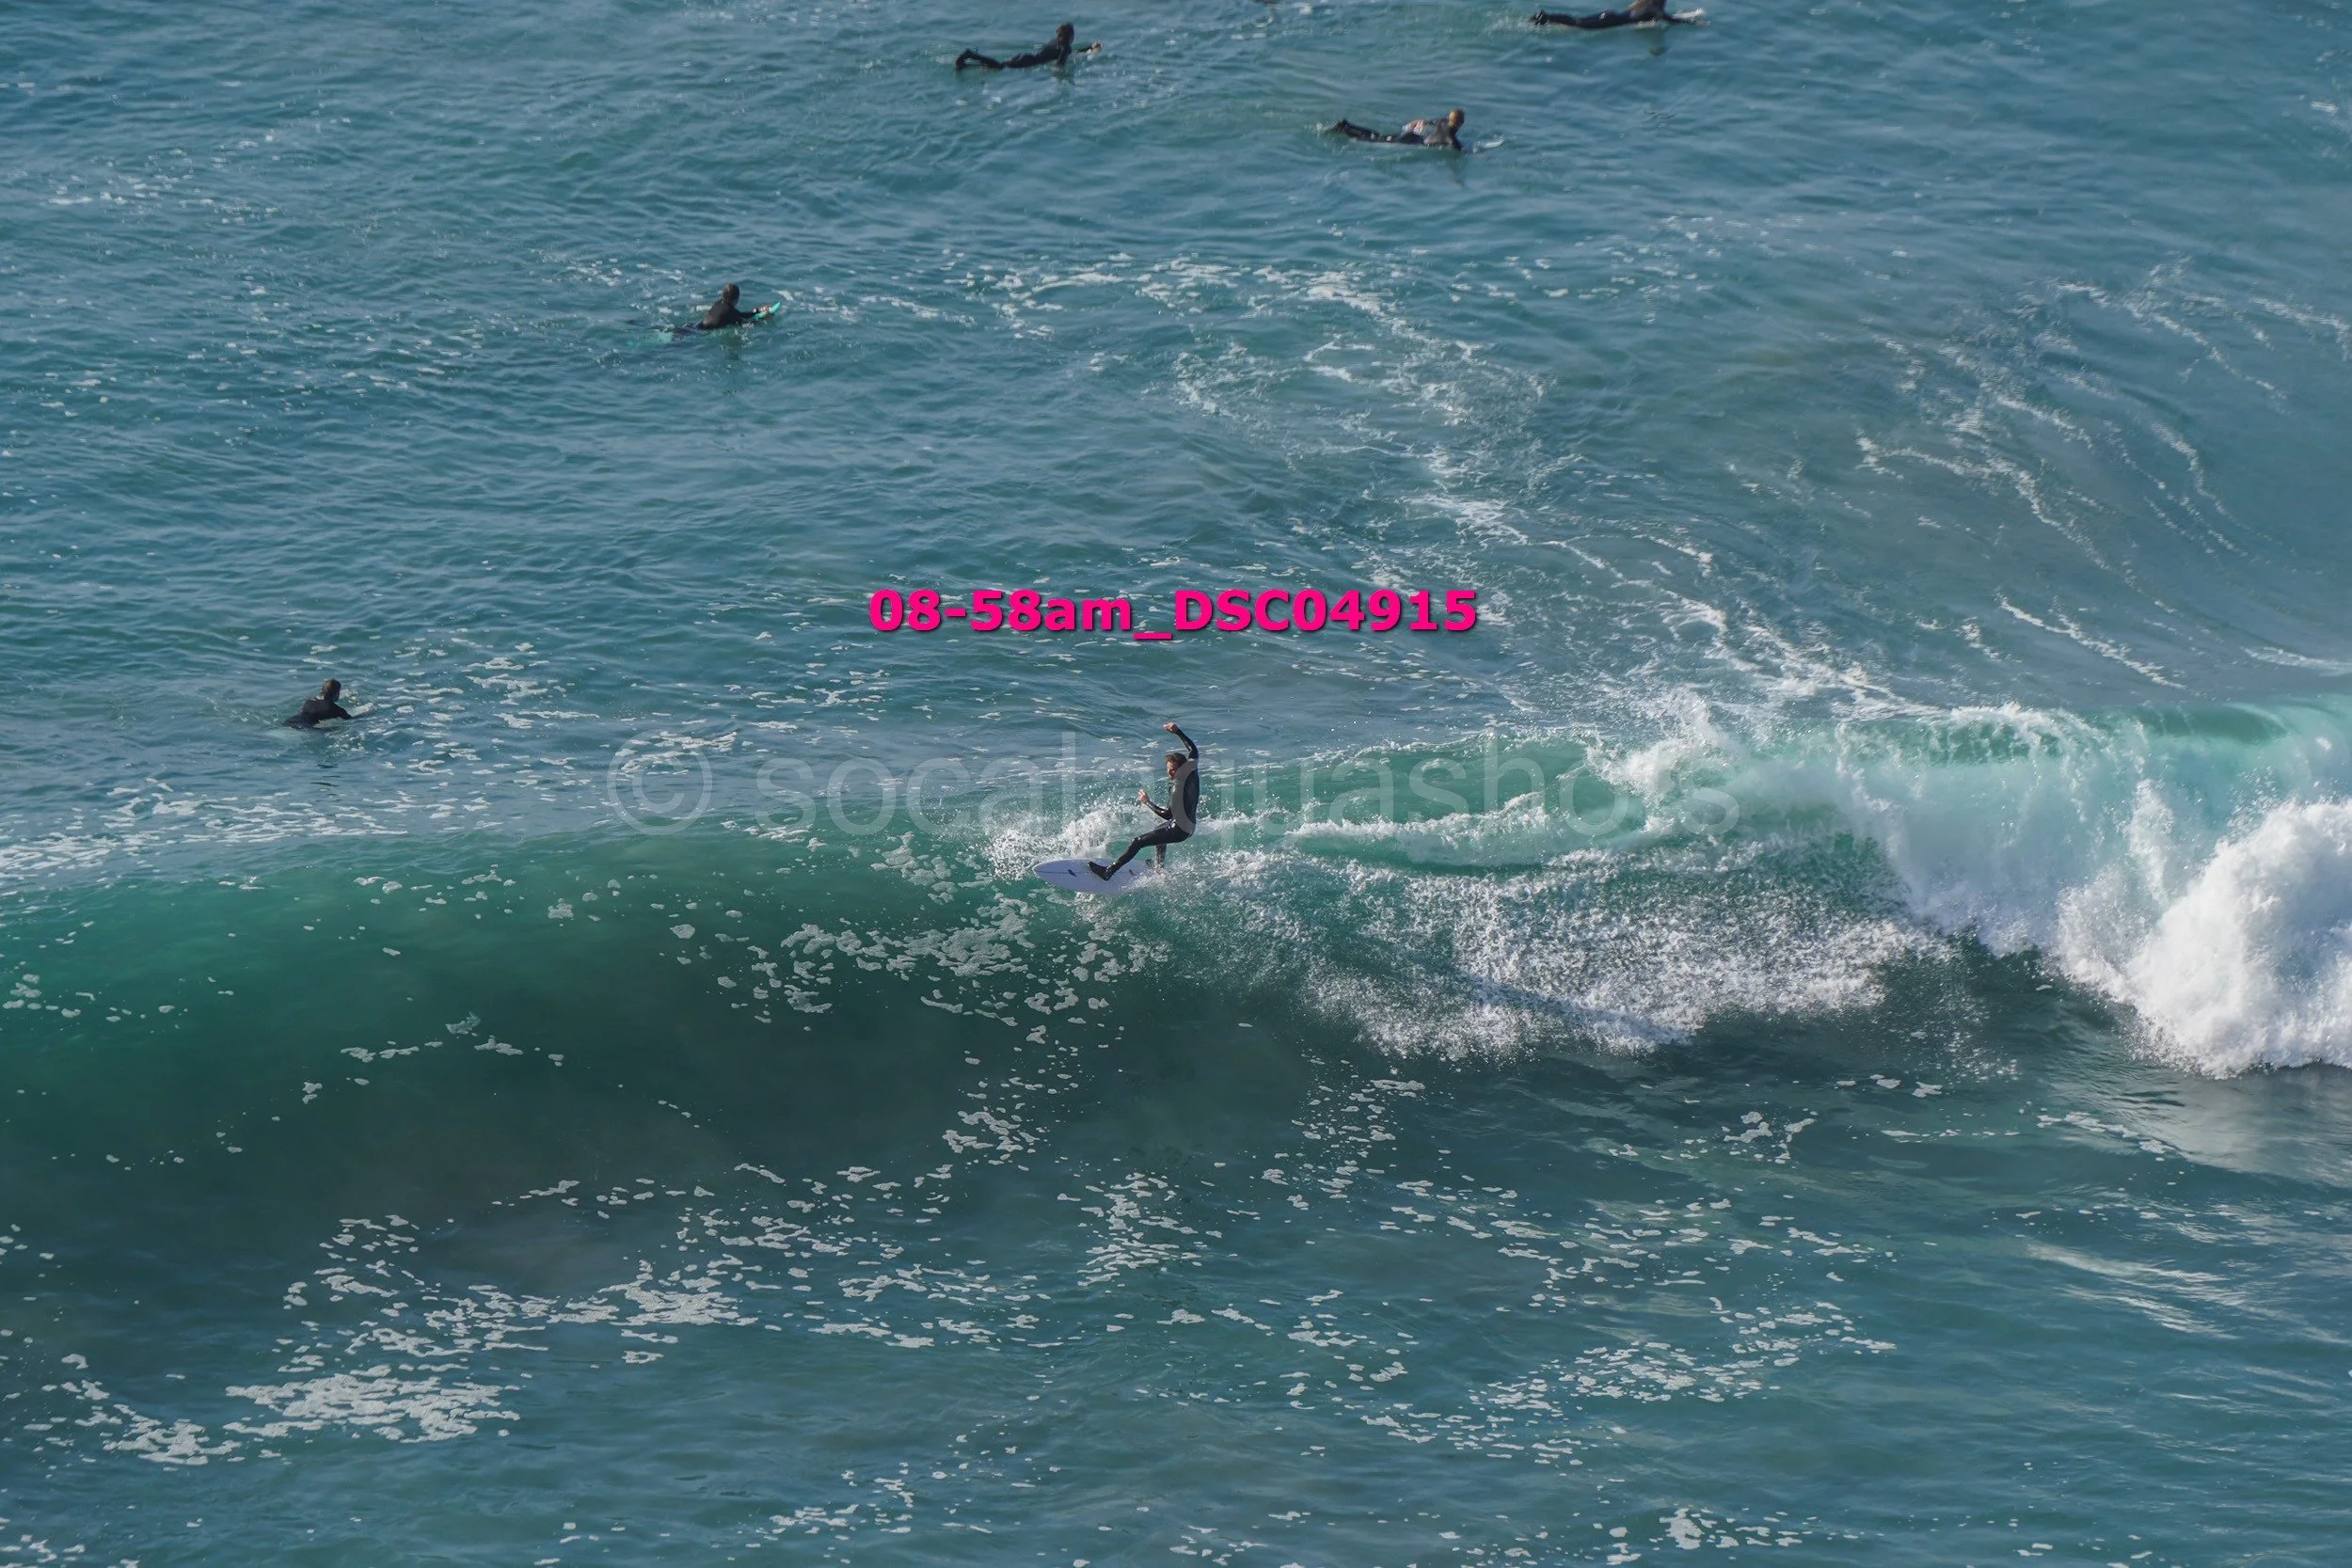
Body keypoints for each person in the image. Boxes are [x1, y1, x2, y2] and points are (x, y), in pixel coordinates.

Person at [1090, 722, 1200, 879]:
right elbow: (1193, 750)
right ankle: (1160, 868)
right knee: (1158, 831)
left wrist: (1146, 801)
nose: (1170, 772)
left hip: (1179, 830)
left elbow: (1168, 814)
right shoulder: (1191, 770)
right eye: (1168, 769)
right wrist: (1177, 731)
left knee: (1137, 842)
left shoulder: (1177, 787)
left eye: (1173, 770)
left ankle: (1108, 872)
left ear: (1180, 768)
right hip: (1189, 827)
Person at [956, 23, 1097, 70]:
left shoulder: (1057, 42)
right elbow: (1060, 64)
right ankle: (971, 55)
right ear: (1071, 36)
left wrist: (1089, 48)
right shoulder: (1065, 47)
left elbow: (1071, 52)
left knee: (1001, 66)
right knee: (1000, 67)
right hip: (1029, 61)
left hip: (1026, 56)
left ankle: (968, 64)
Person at [1328, 108, 1467, 150]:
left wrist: (1420, 122)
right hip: (1413, 142)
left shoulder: (1443, 122)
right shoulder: (1451, 138)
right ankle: (1345, 129)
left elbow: (1430, 121)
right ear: (1461, 123)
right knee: (1374, 140)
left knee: (1377, 136)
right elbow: (1459, 151)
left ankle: (1347, 126)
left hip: (1412, 136)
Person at [1532, 0, 1692, 28]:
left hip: (1610, 16)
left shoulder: (1644, 5)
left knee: (1576, 21)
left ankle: (1547, 17)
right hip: (1611, 21)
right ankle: (1547, 18)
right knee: (1577, 24)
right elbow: (1672, 21)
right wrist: (1694, 22)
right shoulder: (1653, 9)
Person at [680, 283, 761, 335]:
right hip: (695, 333)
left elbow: (739, 315)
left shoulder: (718, 303)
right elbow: (746, 324)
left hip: (690, 326)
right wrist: (761, 319)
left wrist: (757, 310)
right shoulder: (731, 312)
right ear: (736, 299)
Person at [285, 679, 354, 729]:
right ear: (336, 694)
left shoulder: (309, 701)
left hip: (290, 722)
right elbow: (350, 719)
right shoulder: (336, 709)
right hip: (304, 727)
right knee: (332, 730)